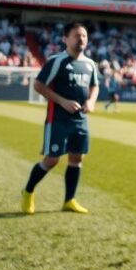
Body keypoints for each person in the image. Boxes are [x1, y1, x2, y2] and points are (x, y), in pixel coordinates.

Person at [20, 23, 98, 215]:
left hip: (80, 120)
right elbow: (38, 85)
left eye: (85, 36)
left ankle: (69, 200)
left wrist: (91, 101)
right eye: (77, 35)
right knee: (52, 160)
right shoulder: (57, 61)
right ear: (66, 39)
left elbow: (95, 86)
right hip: (58, 120)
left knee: (76, 158)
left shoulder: (90, 64)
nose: (82, 39)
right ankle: (28, 191)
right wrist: (63, 102)